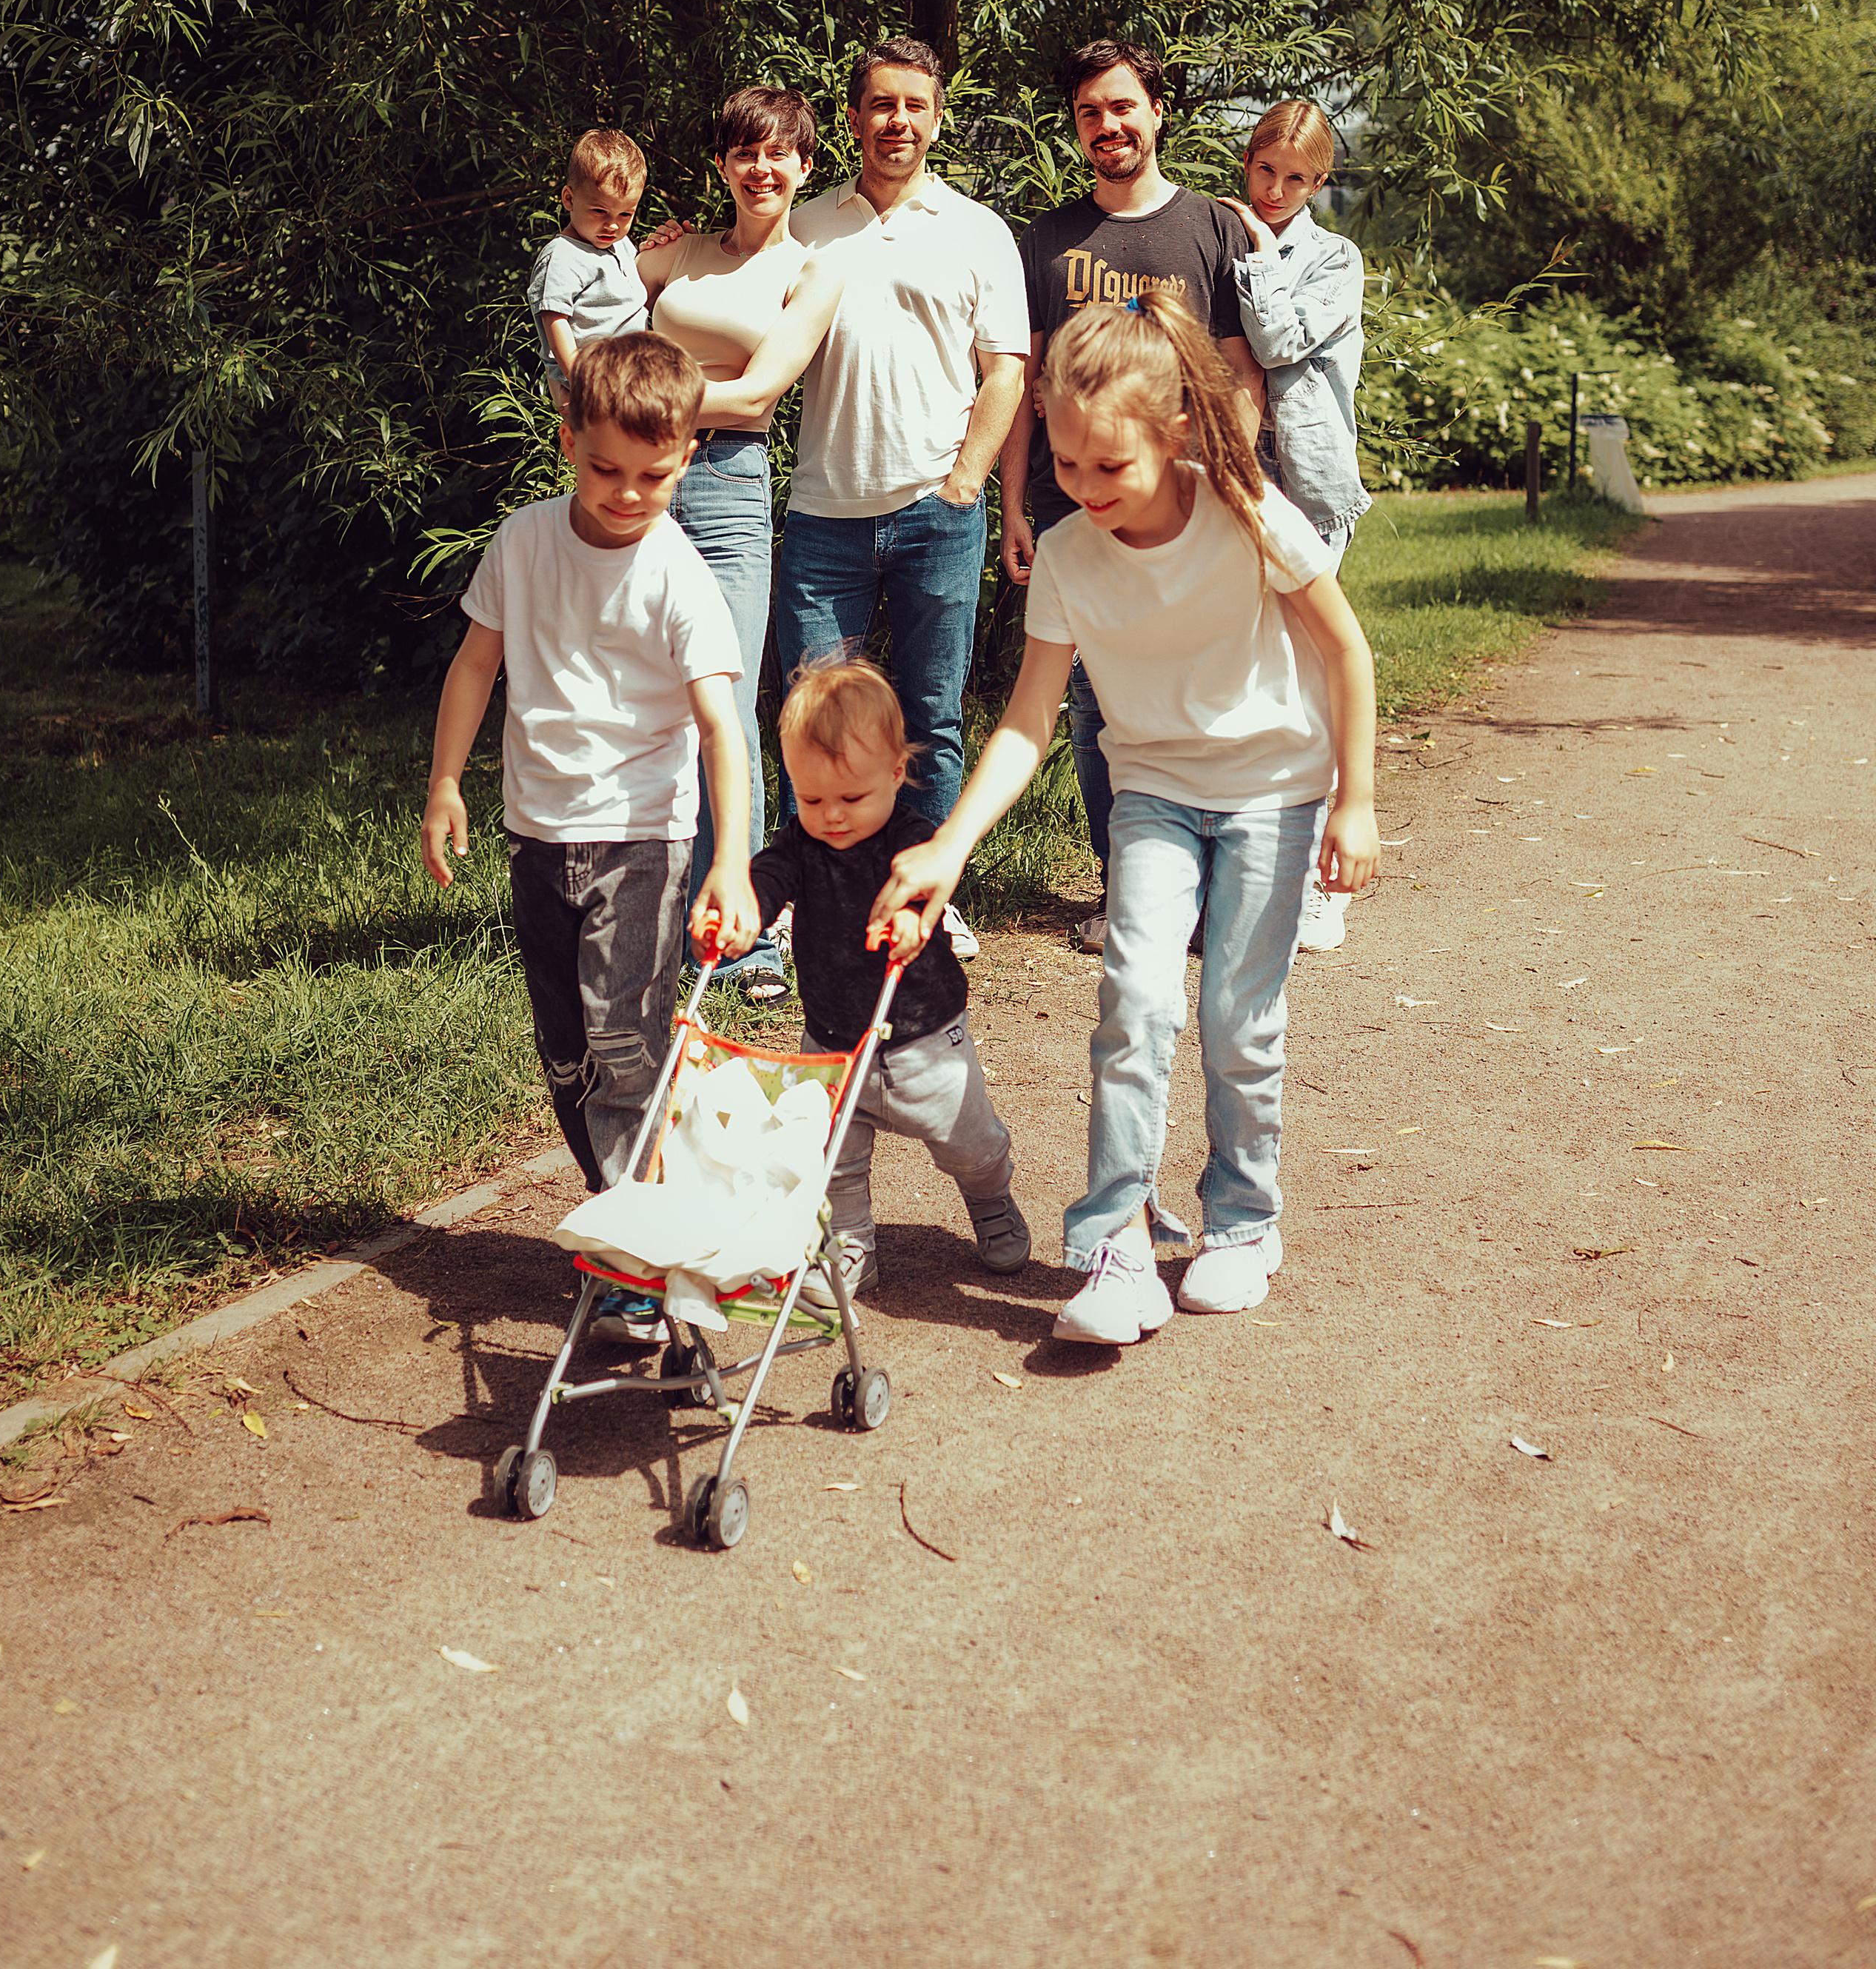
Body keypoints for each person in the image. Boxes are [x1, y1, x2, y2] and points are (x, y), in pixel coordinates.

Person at [870, 292, 1379, 1348]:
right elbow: (1025, 725)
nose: (1086, 490)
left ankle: (1242, 1224)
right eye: (1064, 465)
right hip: (1150, 790)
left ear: (1176, 435)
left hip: (1275, 791)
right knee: (1135, 1005)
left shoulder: (1248, 513)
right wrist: (948, 847)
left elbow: (1347, 650)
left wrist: (1357, 800)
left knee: (1241, 1021)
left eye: (1112, 468)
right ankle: (1117, 1244)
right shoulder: (1066, 556)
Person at [421, 335, 760, 1329]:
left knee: (623, 1044)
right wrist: (446, 781)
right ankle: (645, 1212)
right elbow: (477, 664)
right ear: (568, 442)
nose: (626, 493)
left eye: (653, 475)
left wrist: (729, 861)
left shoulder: (681, 576)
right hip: (539, 835)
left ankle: (641, 1263)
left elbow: (719, 728)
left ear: (689, 456)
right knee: (568, 1054)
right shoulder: (525, 543)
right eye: (605, 469)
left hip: (644, 841)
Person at [998, 36, 1264, 952]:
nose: (1107, 125)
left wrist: (1234, 480)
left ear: (1156, 111)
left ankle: (1215, 877)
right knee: (1091, 703)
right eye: (1088, 114)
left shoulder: (1210, 229)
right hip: (1077, 506)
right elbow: (1025, 387)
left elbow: (1238, 373)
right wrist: (1014, 507)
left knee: (1200, 687)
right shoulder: (1045, 240)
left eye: (1121, 107)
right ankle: (1128, 890)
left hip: (1191, 505)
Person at [774, 36, 1030, 965]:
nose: (898, 122)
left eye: (914, 106)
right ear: (852, 119)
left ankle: (926, 889)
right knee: (810, 715)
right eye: (881, 105)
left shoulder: (977, 230)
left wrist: (965, 483)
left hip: (937, 515)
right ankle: (805, 902)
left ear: (935, 115)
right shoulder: (805, 226)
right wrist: (655, 256)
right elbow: (722, 285)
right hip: (822, 516)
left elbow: (1006, 368)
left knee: (930, 716)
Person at [635, 84, 847, 1006]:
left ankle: (749, 937)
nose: (763, 168)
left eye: (781, 154)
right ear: (722, 164)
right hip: (638, 485)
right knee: (644, 701)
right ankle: (655, 917)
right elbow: (592, 328)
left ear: (804, 166)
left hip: (725, 485)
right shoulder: (673, 254)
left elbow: (759, 395)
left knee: (718, 698)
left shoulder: (812, 270)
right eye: (744, 152)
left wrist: (643, 402)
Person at [748, 659, 1028, 1307]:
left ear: (897, 775)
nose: (833, 817)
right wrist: (746, 912)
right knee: (833, 1153)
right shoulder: (801, 842)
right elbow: (769, 876)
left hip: (923, 1036)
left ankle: (990, 1198)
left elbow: (922, 894)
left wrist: (912, 923)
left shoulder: (912, 839)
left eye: (852, 798)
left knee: (969, 1143)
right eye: (812, 799)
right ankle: (851, 1245)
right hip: (833, 1036)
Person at [1221, 99, 1373, 954]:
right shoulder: (1223, 235)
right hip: (1235, 478)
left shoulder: (1332, 258)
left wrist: (1261, 247)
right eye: (1264, 171)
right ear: (1249, 162)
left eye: (1295, 179)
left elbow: (1275, 342)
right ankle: (1251, 874)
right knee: (1246, 679)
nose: (1275, 190)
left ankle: (1326, 881)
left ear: (1319, 184)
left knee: (1312, 676)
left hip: (1309, 491)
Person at [527, 128, 649, 412]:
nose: (613, 225)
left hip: (633, 372)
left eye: (625, 214)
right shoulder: (562, 255)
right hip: (596, 379)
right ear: (569, 199)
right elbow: (556, 323)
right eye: (599, 211)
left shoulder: (621, 245)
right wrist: (582, 385)